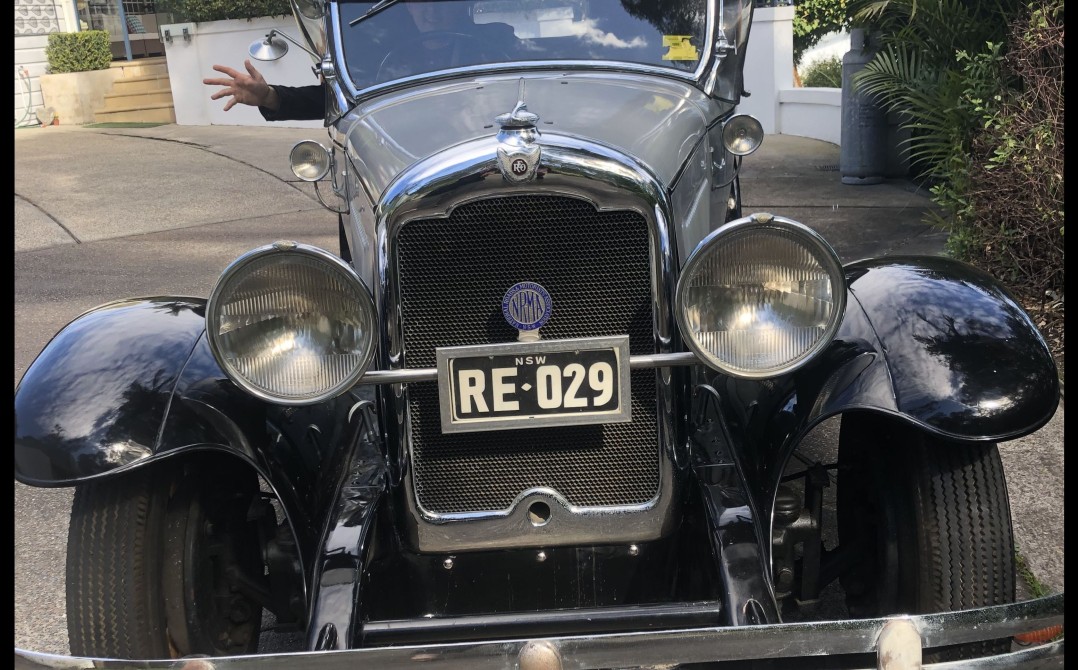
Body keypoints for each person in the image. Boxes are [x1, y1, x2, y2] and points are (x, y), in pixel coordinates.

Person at [204, 2, 515, 119]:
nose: (430, 13)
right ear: (405, 9)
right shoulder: (384, 58)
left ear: (463, 7)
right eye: (416, 3)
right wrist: (269, 96)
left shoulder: (501, 45)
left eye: (439, 3)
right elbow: (338, 102)